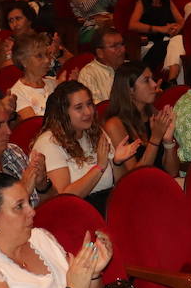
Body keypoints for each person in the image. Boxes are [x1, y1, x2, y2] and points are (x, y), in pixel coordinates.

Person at [34, 82, 136, 210]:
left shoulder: (95, 132)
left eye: (89, 104)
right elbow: (62, 199)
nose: (88, 112)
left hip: (106, 206)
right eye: (78, 107)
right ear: (63, 113)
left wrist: (117, 162)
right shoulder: (49, 143)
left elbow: (120, 185)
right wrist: (99, 167)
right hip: (75, 213)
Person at [103, 62, 178, 178]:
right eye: (146, 80)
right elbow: (136, 177)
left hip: (161, 183)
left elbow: (172, 172)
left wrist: (168, 141)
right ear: (130, 89)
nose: (154, 84)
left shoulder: (154, 114)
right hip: (138, 190)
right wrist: (155, 138)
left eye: (152, 79)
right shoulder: (115, 125)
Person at [128, 0, 183, 73]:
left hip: (168, 41)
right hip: (149, 44)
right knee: (175, 43)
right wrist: (160, 29)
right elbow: (132, 25)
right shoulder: (142, 3)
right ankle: (171, 78)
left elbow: (181, 20)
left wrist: (176, 29)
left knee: (177, 41)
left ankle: (171, 80)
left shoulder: (167, 1)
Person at [77, 27, 127, 113]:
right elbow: (97, 111)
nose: (122, 50)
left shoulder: (129, 67)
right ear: (100, 53)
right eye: (114, 46)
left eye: (122, 44)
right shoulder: (89, 74)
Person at [9, 33, 57, 120]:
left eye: (47, 54)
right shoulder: (17, 93)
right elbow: (33, 127)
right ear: (24, 61)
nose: (47, 60)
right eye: (39, 56)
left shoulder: (53, 83)